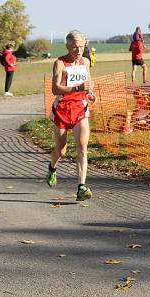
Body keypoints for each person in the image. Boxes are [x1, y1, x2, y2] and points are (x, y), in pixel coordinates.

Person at [47, 30, 95, 201]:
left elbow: (89, 81)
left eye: (81, 46)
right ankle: (52, 167)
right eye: (74, 47)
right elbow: (54, 89)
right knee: (61, 150)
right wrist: (76, 88)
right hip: (62, 109)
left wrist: (90, 92)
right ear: (67, 46)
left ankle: (81, 187)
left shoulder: (86, 62)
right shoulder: (60, 63)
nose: (78, 50)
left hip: (80, 108)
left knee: (82, 147)